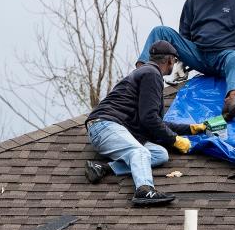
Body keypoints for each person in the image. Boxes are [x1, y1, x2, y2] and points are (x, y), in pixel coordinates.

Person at [84, 40, 206, 206]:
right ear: (170, 60)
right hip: (105, 125)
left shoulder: (147, 72)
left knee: (159, 154)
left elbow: (155, 122)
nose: (174, 64)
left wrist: (192, 129)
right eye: (175, 61)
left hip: (111, 128)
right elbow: (149, 119)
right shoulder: (151, 73)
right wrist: (174, 139)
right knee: (139, 152)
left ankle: (104, 168)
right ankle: (144, 190)